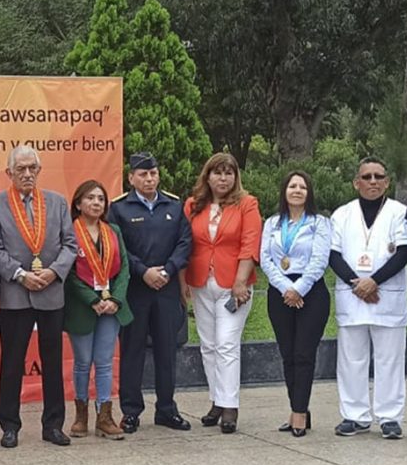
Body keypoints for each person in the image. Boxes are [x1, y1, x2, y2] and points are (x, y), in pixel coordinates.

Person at [0, 145, 78, 448]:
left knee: (53, 362)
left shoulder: (57, 202)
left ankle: (53, 425)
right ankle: (9, 426)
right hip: (15, 294)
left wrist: (53, 272)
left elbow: (69, 244)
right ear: (8, 172)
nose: (27, 174)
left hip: (51, 293)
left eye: (32, 168)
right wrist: (22, 275)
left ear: (39, 170)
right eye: (20, 169)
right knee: (12, 362)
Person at [107, 153, 193, 433]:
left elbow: (184, 242)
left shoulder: (174, 205)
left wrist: (167, 270)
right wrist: (144, 271)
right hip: (135, 290)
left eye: (153, 173)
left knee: (167, 351)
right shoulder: (119, 208)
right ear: (131, 177)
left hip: (166, 290)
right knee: (132, 351)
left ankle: (167, 409)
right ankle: (131, 411)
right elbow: (117, 248)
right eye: (142, 175)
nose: (149, 179)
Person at [328, 158, 407, 438]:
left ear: (387, 181)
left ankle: (389, 417)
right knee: (351, 359)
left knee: (390, 359)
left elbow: (404, 252)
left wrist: (374, 281)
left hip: (386, 296)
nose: (373, 181)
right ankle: (355, 416)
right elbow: (333, 255)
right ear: (356, 182)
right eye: (367, 177)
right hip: (353, 296)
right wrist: (358, 284)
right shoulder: (342, 214)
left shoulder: (400, 212)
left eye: (379, 176)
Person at [180, 153, 261, 434]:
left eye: (228, 173)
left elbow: (250, 243)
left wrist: (240, 281)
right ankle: (216, 398)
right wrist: (183, 283)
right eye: (217, 173)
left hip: (233, 285)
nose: (223, 178)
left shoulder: (247, 204)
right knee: (209, 345)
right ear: (208, 176)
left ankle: (230, 407)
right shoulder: (193, 205)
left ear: (236, 177)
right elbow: (184, 244)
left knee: (227, 344)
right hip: (201, 282)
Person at [259, 171, 331, 437]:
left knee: (303, 354)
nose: (297, 190)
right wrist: (286, 288)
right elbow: (265, 259)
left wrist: (299, 288)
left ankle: (300, 413)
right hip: (280, 292)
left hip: (311, 292)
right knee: (288, 354)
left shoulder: (319, 223)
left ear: (309, 192)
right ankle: (296, 407)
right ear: (285, 191)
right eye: (292, 186)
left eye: (302, 186)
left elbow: (320, 260)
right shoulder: (273, 223)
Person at [65, 180, 132, 440]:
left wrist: (115, 299)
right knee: (82, 363)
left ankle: (104, 416)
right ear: (78, 203)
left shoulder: (113, 230)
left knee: (104, 363)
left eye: (101, 199)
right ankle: (81, 415)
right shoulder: (70, 232)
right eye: (90, 198)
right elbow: (69, 274)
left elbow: (124, 267)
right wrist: (92, 300)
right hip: (83, 308)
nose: (96, 203)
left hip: (111, 307)